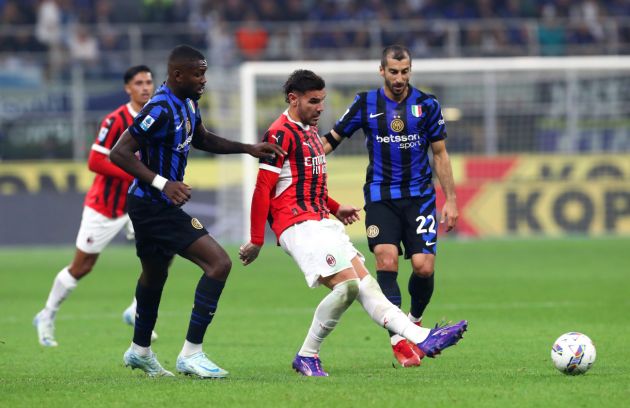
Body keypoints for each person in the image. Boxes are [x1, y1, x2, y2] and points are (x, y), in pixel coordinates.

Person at [239, 69, 466, 376]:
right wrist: (256, 239)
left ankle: (421, 338)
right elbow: (263, 188)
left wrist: (334, 207)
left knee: (365, 285)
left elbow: (305, 181)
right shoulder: (280, 134)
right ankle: (308, 354)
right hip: (297, 224)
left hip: (320, 220)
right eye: (314, 101)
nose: (321, 108)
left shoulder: (308, 131)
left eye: (323, 101)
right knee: (347, 285)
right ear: (293, 100)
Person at [109, 45, 285, 378]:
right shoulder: (158, 108)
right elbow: (118, 153)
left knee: (155, 274)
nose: (204, 79)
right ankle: (191, 354)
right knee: (219, 263)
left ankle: (139, 350)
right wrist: (164, 183)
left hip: (152, 203)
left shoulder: (189, 102)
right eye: (198, 73)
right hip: (153, 204)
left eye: (205, 72)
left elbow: (200, 138)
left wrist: (247, 149)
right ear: (178, 75)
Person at [320, 44, 459, 367]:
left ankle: (414, 321)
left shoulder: (426, 104)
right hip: (381, 196)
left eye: (405, 71)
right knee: (386, 261)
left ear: (411, 71)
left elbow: (440, 154)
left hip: (420, 196)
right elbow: (332, 139)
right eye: (393, 72)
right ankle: (398, 338)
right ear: (382, 71)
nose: (399, 78)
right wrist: (304, 158)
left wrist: (450, 200)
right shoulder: (365, 103)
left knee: (424, 266)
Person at [33, 65, 156, 348]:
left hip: (140, 203)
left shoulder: (157, 116)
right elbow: (95, 161)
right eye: (139, 83)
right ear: (128, 88)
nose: (145, 87)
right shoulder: (115, 120)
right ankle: (47, 314)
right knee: (83, 265)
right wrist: (140, 174)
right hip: (107, 206)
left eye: (149, 81)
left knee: (159, 254)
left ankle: (138, 311)